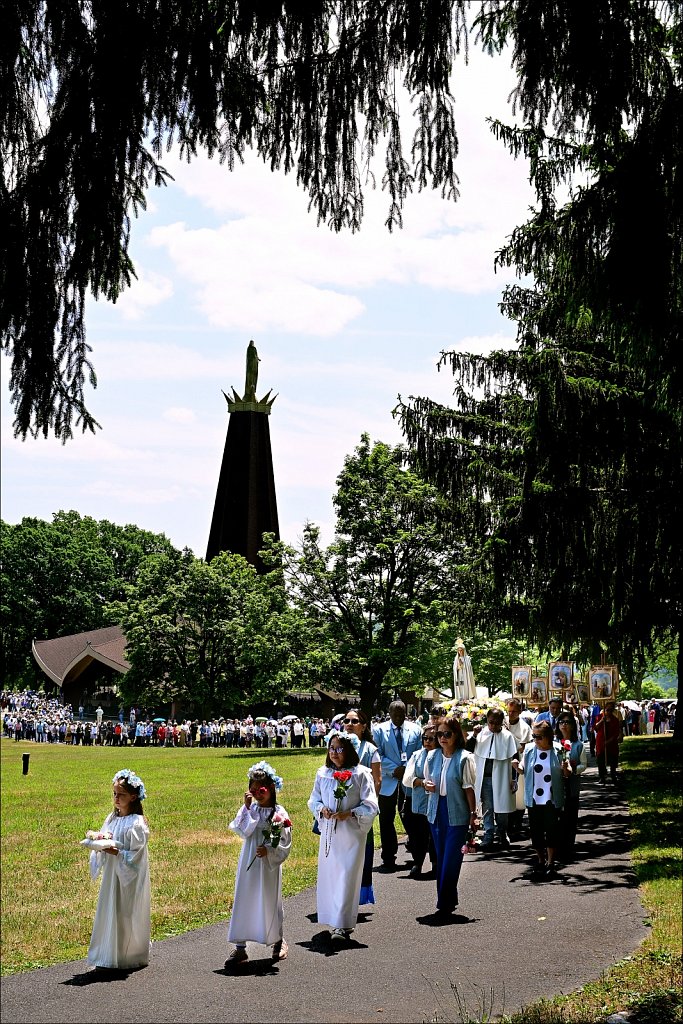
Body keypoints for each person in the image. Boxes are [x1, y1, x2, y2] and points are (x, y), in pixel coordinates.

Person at [308, 733, 378, 942]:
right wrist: (322, 809)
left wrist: (351, 813)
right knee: (332, 875)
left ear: (349, 751)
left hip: (352, 833)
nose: (335, 753)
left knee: (347, 875)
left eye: (340, 749)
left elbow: (371, 804)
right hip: (330, 832)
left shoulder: (361, 774)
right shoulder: (323, 774)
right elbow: (313, 800)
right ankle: (332, 917)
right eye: (332, 748)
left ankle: (343, 924)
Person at [226, 761, 291, 966]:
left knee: (269, 899)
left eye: (260, 790)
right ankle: (240, 947)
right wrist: (246, 809)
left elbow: (284, 842)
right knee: (244, 898)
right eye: (252, 791)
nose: (256, 794)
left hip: (267, 866)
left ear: (271, 788)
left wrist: (270, 851)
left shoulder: (279, 814)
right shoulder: (251, 808)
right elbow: (242, 830)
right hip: (249, 861)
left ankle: (277, 940)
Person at [85, 769, 151, 971]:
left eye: (120, 794)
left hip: (128, 879)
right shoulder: (112, 818)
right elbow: (106, 836)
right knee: (109, 910)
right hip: (112, 876)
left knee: (124, 912)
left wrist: (117, 853)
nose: (116, 798)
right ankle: (106, 954)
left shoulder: (137, 824)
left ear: (133, 796)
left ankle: (126, 955)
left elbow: (136, 858)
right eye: (114, 793)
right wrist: (98, 841)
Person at [423, 715, 477, 915]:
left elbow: (469, 788)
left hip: (458, 812)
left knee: (451, 859)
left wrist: (473, 814)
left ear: (456, 735)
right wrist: (425, 784)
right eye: (439, 734)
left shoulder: (465, 758)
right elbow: (427, 782)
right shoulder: (432, 757)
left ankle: (444, 902)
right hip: (436, 811)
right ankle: (447, 900)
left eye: (447, 734)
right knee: (441, 856)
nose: (442, 738)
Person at [372, 701, 422, 869]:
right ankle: (388, 857)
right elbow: (377, 754)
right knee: (386, 820)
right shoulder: (379, 730)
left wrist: (406, 770)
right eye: (396, 715)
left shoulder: (415, 729)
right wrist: (394, 769)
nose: (399, 718)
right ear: (390, 713)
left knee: (411, 818)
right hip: (388, 781)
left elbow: (418, 754)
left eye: (402, 714)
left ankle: (417, 855)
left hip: (408, 781)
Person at [514, 721, 567, 879]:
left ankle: (551, 862)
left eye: (539, 737)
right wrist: (517, 766)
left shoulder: (559, 749)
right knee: (536, 832)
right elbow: (523, 769)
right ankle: (540, 860)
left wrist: (567, 768)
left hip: (551, 797)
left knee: (551, 831)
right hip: (534, 798)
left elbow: (567, 772)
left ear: (549, 737)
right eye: (533, 736)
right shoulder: (530, 749)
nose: (535, 740)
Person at [341, 709, 381, 905]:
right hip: (339, 811)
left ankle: (360, 893)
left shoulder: (370, 750)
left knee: (362, 851)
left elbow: (377, 780)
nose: (349, 724)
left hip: (360, 811)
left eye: (354, 721)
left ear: (364, 726)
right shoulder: (336, 746)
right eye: (346, 720)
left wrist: (367, 807)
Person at [468, 708, 517, 851]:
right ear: (487, 721)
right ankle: (488, 835)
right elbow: (469, 749)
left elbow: (515, 759)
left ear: (502, 722)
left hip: (502, 777)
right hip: (485, 778)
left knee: (502, 810)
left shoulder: (508, 737)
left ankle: (502, 832)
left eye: (497, 723)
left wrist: (514, 779)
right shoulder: (480, 734)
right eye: (491, 723)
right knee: (488, 808)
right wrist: (474, 735)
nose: (493, 726)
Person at [402, 725, 438, 878]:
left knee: (435, 834)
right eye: (425, 738)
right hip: (419, 802)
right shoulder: (416, 755)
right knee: (418, 835)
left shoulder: (443, 755)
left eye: (432, 738)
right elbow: (407, 778)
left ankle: (436, 864)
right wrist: (421, 782)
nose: (428, 741)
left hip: (436, 802)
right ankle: (418, 862)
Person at [555, 713, 587, 859]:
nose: (564, 724)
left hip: (572, 784)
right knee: (557, 816)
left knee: (571, 815)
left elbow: (583, 764)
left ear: (573, 725)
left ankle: (569, 846)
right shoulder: (553, 743)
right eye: (561, 722)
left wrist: (574, 769)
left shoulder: (578, 744)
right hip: (556, 785)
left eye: (567, 722)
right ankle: (557, 845)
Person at [505, 698, 533, 835]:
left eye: (514, 712)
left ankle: (517, 822)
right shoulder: (502, 722)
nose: (510, 714)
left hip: (517, 764)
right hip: (503, 763)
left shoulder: (524, 727)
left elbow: (522, 747)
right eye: (509, 711)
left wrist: (508, 736)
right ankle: (507, 824)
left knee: (519, 795)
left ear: (520, 711)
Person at [594, 701, 623, 784]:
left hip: (611, 743)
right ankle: (602, 776)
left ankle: (613, 775)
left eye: (611, 710)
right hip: (601, 742)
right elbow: (595, 728)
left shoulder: (615, 720)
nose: (609, 712)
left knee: (613, 760)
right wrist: (601, 721)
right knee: (600, 760)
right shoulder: (599, 717)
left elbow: (616, 732)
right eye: (607, 710)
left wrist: (609, 741)